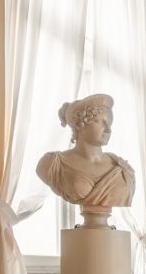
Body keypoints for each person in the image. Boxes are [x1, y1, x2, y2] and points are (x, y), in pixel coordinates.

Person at [36, 94, 135, 225]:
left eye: (109, 123)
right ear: (80, 124)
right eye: (99, 121)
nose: (108, 129)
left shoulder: (122, 168)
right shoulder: (52, 164)